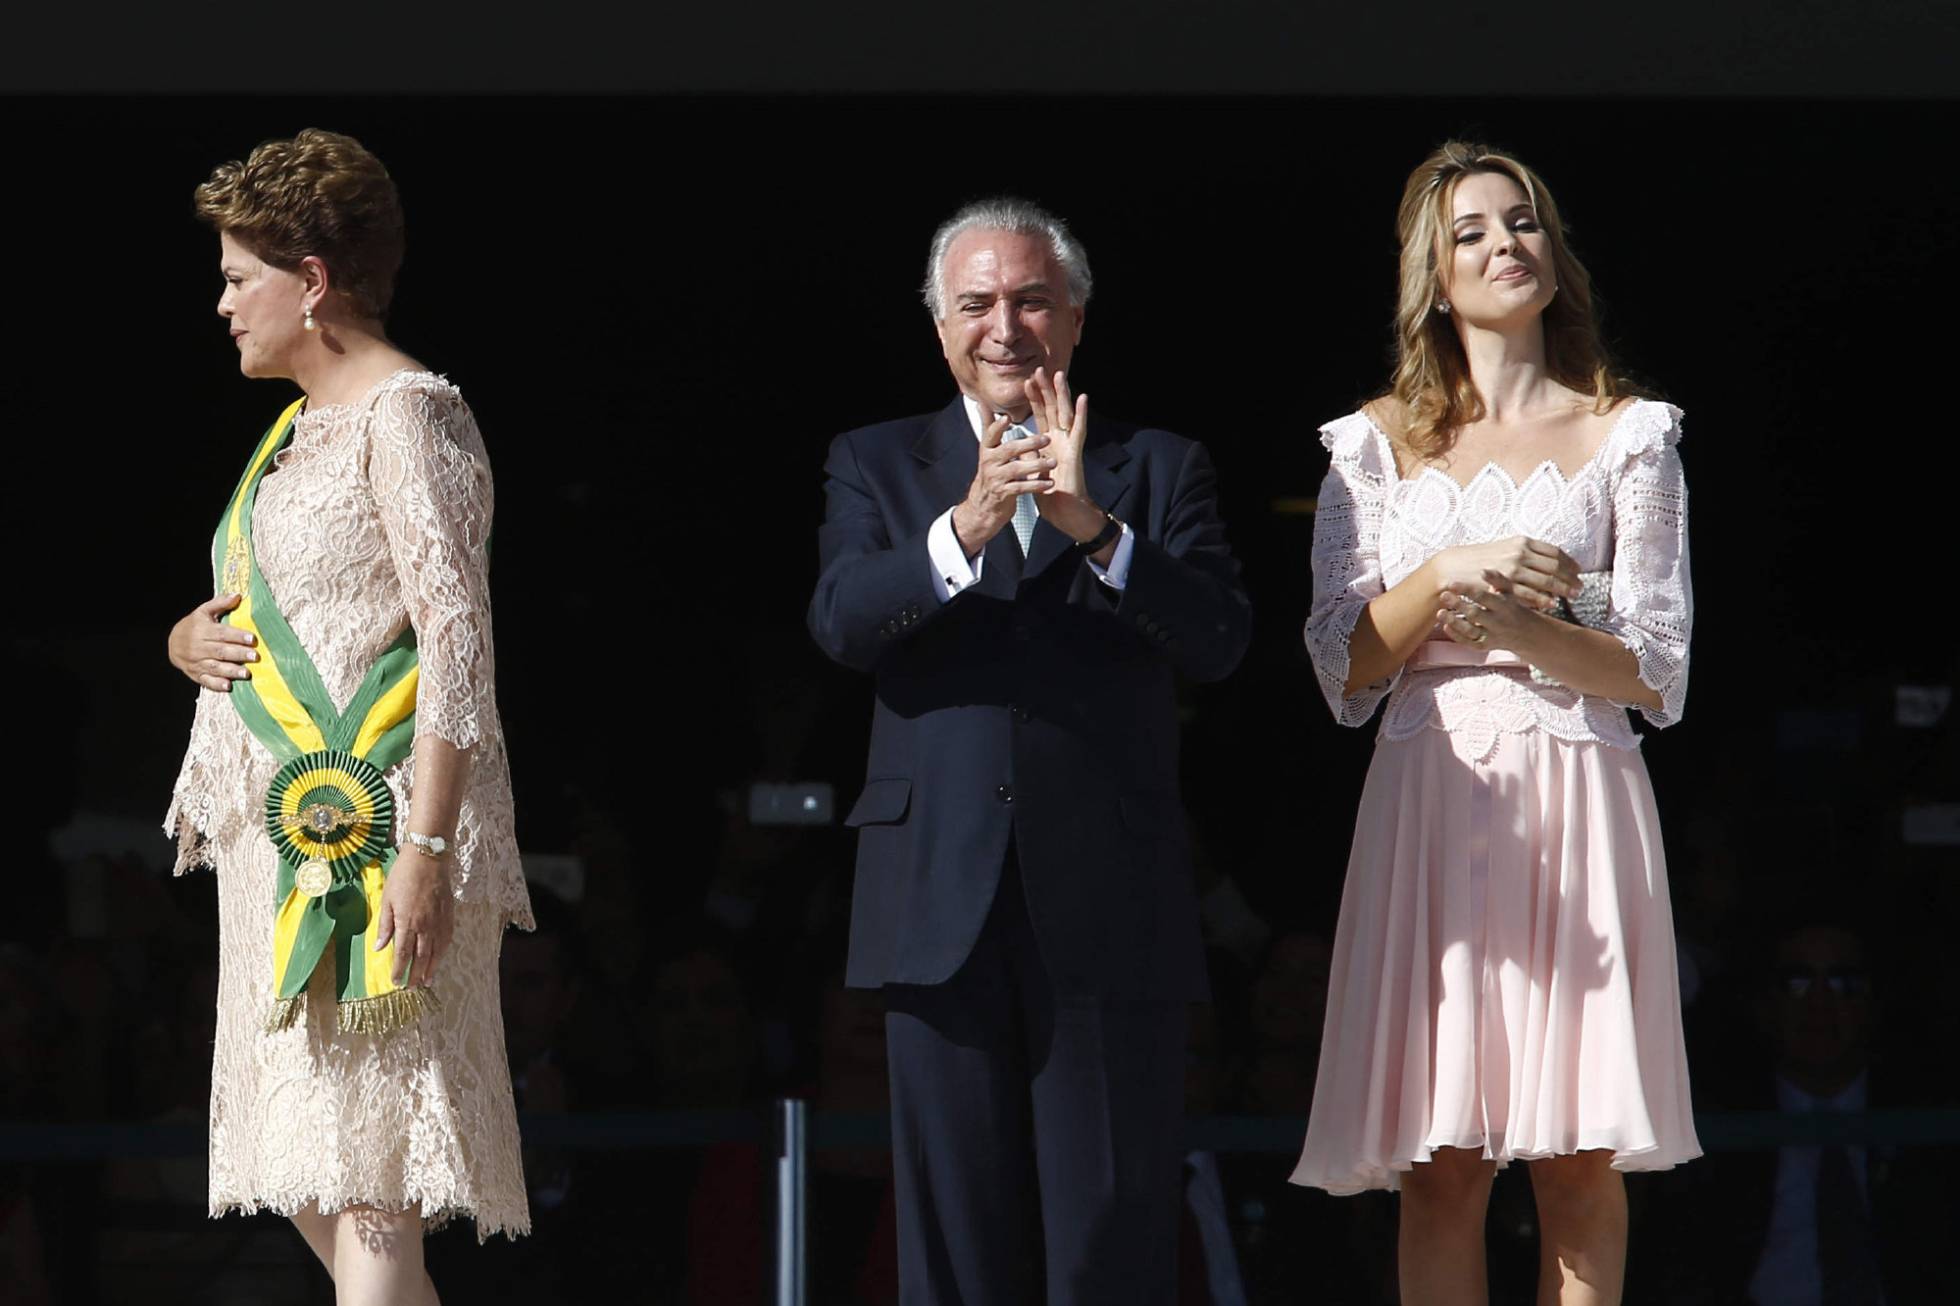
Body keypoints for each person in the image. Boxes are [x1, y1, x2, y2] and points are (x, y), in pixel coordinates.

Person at [807, 196, 1252, 1304]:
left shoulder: (1156, 465)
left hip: (1107, 902)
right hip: (934, 902)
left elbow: (1220, 639)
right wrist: (960, 530)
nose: (1004, 325)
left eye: (1030, 299)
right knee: (954, 1239)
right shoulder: (876, 462)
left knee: (1107, 1231)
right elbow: (842, 623)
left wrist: (1093, 529)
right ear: (940, 326)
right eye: (976, 303)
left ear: (1076, 318)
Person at [1291, 141, 1700, 1305]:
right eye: (1468, 231)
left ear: (1554, 254)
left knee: (1576, 1161)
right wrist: (1450, 573)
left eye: (1520, 223)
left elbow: (1658, 669)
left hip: (1576, 780)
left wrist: (1528, 633)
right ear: (1431, 273)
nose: (1501, 246)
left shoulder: (1628, 434)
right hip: (1430, 786)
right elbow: (1343, 661)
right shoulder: (1371, 446)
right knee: (1441, 1160)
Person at [163, 128, 534, 1303]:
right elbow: (300, 610)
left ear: (310, 280)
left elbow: (458, 646)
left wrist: (421, 853)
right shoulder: (295, 432)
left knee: (374, 1202)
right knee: (324, 1190)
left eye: (238, 277)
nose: (222, 304)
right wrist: (185, 641)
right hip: (283, 860)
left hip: (378, 854)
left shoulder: (409, 414)